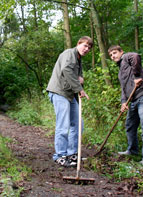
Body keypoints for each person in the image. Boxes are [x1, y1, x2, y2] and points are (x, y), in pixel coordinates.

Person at [46, 36, 93, 167]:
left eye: (89, 48)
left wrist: (80, 79)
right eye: (85, 45)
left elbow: (77, 76)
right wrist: (79, 88)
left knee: (78, 124)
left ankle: (72, 154)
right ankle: (60, 156)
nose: (86, 49)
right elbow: (66, 69)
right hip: (59, 92)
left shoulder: (78, 60)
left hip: (70, 95)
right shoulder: (69, 53)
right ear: (78, 44)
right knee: (63, 125)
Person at [108, 45, 143, 166]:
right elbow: (124, 88)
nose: (113, 56)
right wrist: (124, 102)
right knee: (130, 125)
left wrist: (137, 76)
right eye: (111, 55)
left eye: (115, 53)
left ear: (121, 52)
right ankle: (133, 150)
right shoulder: (120, 71)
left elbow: (136, 56)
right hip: (133, 99)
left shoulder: (127, 57)